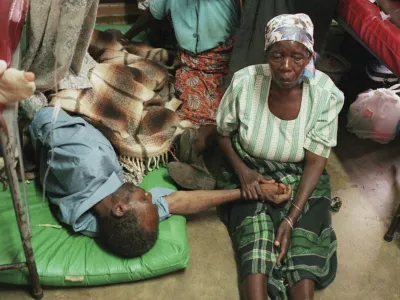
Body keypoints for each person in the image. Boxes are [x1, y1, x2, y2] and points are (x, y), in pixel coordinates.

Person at [29, 106, 292, 258]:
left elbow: (43, 117)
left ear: (120, 209)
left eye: (145, 199)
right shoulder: (104, 221)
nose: (147, 194)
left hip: (66, 132)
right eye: (148, 198)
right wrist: (251, 192)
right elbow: (176, 201)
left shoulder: (88, 159)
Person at [213, 14, 343, 300]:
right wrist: (242, 171)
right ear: (266, 54)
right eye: (277, 56)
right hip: (251, 170)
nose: (286, 67)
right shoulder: (245, 83)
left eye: (297, 57)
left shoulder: (324, 94)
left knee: (301, 253)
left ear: (310, 55)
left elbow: (315, 161)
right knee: (255, 247)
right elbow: (222, 132)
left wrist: (292, 218)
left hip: (302, 175)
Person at [123, 0, 239, 163]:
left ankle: (208, 149)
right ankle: (198, 151)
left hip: (226, 61)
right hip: (191, 64)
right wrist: (126, 37)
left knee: (229, 114)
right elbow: (152, 14)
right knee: (188, 114)